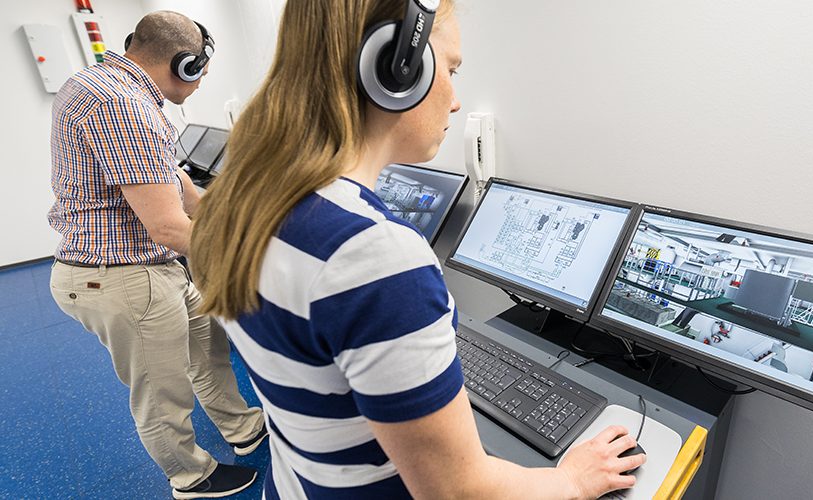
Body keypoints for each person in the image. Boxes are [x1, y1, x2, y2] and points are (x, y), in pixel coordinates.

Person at [190, 1, 645, 498]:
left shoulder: (241, 202)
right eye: (449, 69)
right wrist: (571, 480)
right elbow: (456, 491)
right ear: (395, 70)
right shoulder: (372, 256)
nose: (454, 100)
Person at [48, 11, 267, 499]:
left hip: (140, 268)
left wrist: (243, 216)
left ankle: (242, 427)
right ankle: (191, 476)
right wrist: (251, 256)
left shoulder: (104, 82)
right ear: (185, 64)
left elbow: (178, 184)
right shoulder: (125, 108)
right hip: (123, 277)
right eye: (200, 71)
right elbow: (168, 227)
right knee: (161, 390)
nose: (200, 82)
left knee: (205, 346)